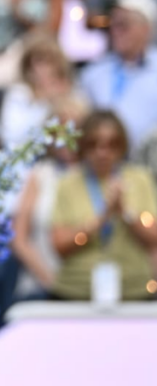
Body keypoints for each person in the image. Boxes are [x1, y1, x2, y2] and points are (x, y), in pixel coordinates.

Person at [51, 110, 157, 301]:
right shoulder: (68, 183)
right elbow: (59, 246)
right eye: (93, 144)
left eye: (112, 144)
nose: (102, 152)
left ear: (122, 145)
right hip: (76, 292)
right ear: (83, 146)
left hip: (133, 290)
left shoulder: (139, 179)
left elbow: (153, 237)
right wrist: (101, 218)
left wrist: (125, 213)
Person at [10, 99, 82, 300]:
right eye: (60, 129)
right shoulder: (40, 175)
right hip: (43, 287)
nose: (66, 137)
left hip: (86, 287)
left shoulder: (95, 178)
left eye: (75, 129)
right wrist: (51, 281)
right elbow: (19, 239)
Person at [79, 0, 157, 152]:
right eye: (113, 24)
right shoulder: (94, 72)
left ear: (145, 28)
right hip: (101, 166)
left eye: (124, 25)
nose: (116, 31)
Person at [0, 36, 87, 149]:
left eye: (50, 61)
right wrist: (44, 102)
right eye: (39, 61)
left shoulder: (74, 90)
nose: (45, 68)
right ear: (28, 67)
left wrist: (61, 100)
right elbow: (10, 136)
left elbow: (82, 129)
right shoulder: (18, 94)